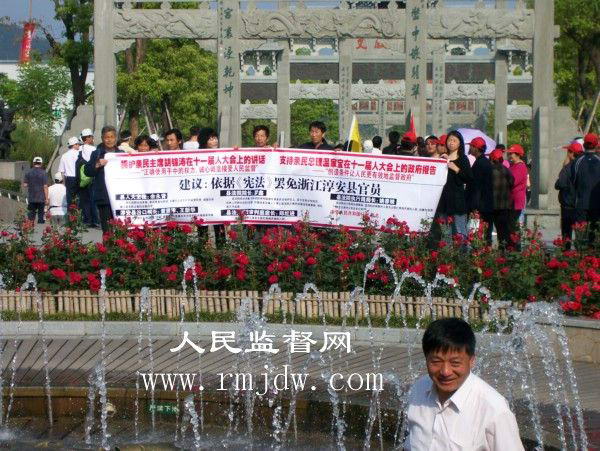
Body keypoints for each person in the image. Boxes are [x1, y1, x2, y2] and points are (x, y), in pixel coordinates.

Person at [405, 318, 524, 450]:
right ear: (426, 359)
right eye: (436, 362)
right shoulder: (418, 389)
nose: (445, 372)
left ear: (471, 360)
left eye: (455, 363)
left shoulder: (494, 410)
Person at [432, 130, 474, 242]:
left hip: (457, 201)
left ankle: (463, 253)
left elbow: (469, 178)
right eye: (449, 140)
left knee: (460, 232)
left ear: (460, 143)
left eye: (454, 141)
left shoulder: (463, 159)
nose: (451, 143)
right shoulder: (443, 158)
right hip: (443, 201)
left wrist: (456, 169)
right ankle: (447, 253)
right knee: (445, 233)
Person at [84, 125, 124, 233]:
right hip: (104, 197)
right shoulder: (96, 153)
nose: (109, 140)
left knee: (121, 229)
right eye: (106, 137)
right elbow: (87, 171)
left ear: (115, 138)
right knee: (107, 230)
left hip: (120, 197)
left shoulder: (121, 154)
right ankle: (107, 244)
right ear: (102, 138)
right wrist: (97, 164)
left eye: (112, 137)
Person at [571, 133, 600, 245]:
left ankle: (580, 253)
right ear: (596, 145)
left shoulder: (578, 161)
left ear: (584, 145)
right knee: (594, 236)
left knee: (581, 235)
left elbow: (573, 181)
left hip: (581, 203)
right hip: (597, 204)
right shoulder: (598, 160)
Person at [555, 141, 583, 247]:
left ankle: (566, 253)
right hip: (581, 205)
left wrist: (565, 165)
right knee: (580, 234)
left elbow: (559, 184)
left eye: (568, 152)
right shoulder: (583, 166)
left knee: (566, 234)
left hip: (568, 205)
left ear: (571, 153)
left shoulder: (568, 168)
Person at [466, 137, 494, 244]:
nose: (469, 148)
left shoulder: (480, 164)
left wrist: (474, 207)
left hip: (480, 205)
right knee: (485, 232)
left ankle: (480, 251)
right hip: (486, 203)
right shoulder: (484, 162)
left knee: (478, 233)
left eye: (471, 146)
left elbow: (476, 187)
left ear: (476, 148)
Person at [489, 148, 514, 249]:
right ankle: (505, 248)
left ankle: (497, 248)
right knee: (504, 229)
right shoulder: (506, 170)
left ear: (492, 159)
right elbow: (512, 182)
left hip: (492, 205)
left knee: (491, 228)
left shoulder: (489, 170)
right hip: (505, 204)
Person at [507, 144, 528, 246]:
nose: (510, 156)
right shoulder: (513, 165)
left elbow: (513, 181)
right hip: (511, 199)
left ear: (518, 155)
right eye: (509, 154)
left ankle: (516, 246)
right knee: (511, 224)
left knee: (514, 225)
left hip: (516, 200)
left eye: (512, 154)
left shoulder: (520, 166)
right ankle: (513, 245)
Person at [22, 156, 49, 224]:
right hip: (41, 198)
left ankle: (30, 227)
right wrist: (47, 198)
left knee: (31, 217)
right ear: (41, 163)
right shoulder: (44, 173)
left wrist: (32, 184)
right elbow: (45, 186)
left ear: (33, 163)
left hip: (32, 197)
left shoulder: (28, 172)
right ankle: (40, 227)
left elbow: (25, 184)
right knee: (41, 217)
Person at [58, 136, 81, 208]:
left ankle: (70, 213)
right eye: (78, 144)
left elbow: (62, 172)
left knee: (70, 199)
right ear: (74, 145)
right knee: (80, 198)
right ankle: (79, 213)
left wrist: (64, 183)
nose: (79, 145)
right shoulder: (80, 154)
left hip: (69, 179)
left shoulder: (64, 156)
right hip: (79, 178)